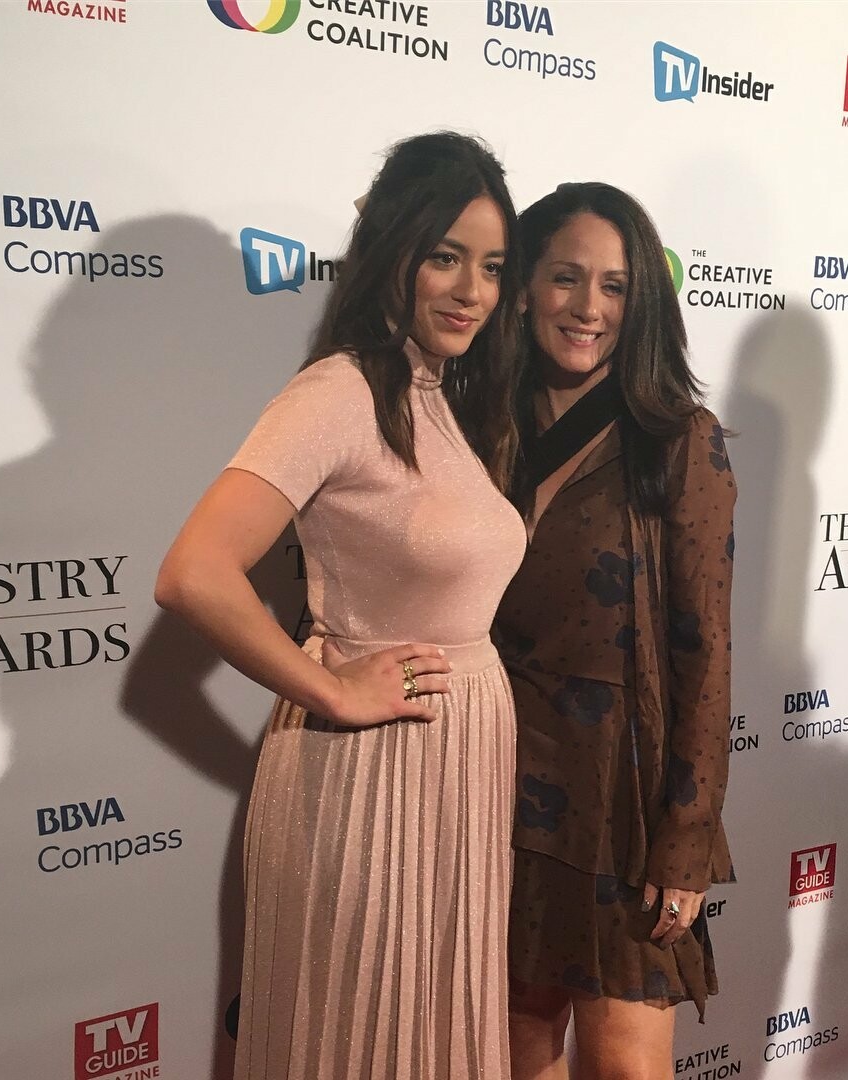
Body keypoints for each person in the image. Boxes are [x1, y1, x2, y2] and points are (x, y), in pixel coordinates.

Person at [154, 131, 527, 1080]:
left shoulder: (441, 395)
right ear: (393, 251)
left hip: (458, 770)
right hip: (368, 773)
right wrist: (333, 689)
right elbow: (194, 572)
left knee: (433, 1030)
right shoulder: (339, 391)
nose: (471, 290)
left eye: (491, 266)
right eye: (445, 256)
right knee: (361, 1039)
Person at [495, 182, 736, 1080]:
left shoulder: (676, 439)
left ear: (643, 306)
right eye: (566, 277)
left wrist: (687, 833)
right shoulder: (478, 430)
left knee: (627, 1062)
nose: (588, 308)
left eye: (615, 286)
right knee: (515, 1043)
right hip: (491, 774)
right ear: (524, 287)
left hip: (620, 793)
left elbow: (704, 652)